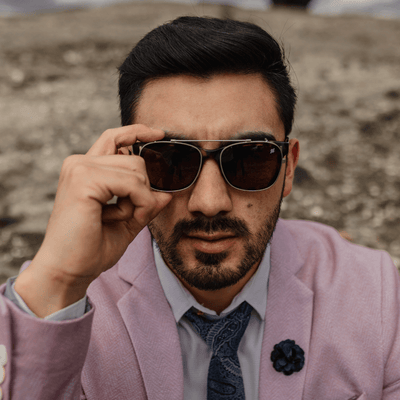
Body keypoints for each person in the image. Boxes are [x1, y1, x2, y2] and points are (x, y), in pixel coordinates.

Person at [0, 16, 399, 400]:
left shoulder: (374, 295)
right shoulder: (59, 302)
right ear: (126, 165)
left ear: (289, 167)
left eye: (249, 159)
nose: (209, 203)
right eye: (171, 161)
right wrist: (58, 279)